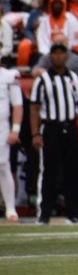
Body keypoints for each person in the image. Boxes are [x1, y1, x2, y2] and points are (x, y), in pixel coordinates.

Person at [32, 43, 78, 224]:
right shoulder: (42, 80)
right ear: (50, 56)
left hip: (71, 126)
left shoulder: (74, 78)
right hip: (51, 127)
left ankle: (76, 212)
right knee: (49, 171)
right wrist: (36, 133)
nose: (58, 57)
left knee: (73, 170)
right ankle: (44, 213)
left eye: (61, 53)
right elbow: (34, 108)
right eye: (55, 54)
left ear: (67, 56)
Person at [0, 64, 24, 222]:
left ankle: (10, 207)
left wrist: (15, 129)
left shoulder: (9, 76)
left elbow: (17, 105)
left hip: (2, 125)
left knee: (3, 165)